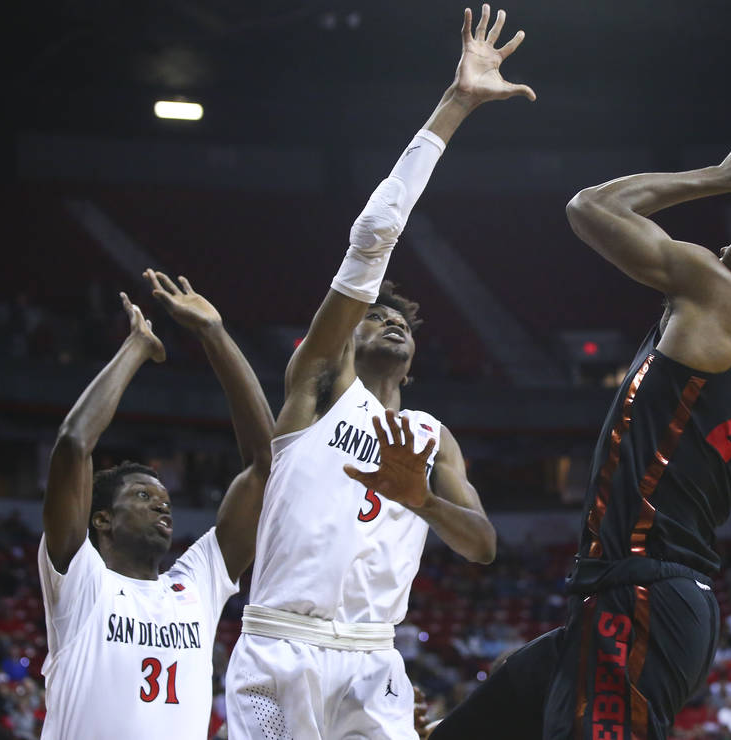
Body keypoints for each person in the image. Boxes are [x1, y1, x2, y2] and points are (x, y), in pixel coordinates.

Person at [429, 118, 731, 739]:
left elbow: (591, 207)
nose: (722, 248)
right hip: (641, 603)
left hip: (638, 602)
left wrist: (724, 176)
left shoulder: (719, 297)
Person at [224, 5, 535, 738]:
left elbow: (483, 546)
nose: (391, 321)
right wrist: (456, 103)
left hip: (373, 661)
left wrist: (421, 498)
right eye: (376, 317)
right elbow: (372, 239)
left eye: (403, 321)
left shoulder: (434, 437)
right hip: (280, 647)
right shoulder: (320, 386)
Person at [38, 272, 274, 739]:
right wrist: (138, 347)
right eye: (144, 497)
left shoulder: (195, 584)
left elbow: (267, 467)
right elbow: (73, 444)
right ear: (101, 519)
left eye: (165, 500)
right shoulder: (81, 581)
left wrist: (215, 334)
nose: (162, 507)